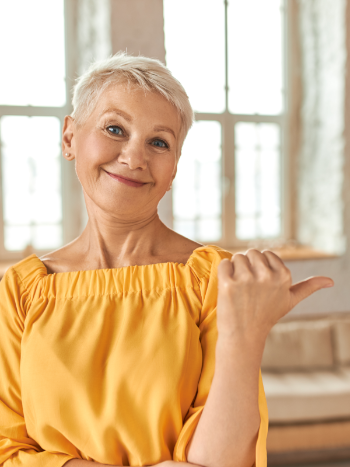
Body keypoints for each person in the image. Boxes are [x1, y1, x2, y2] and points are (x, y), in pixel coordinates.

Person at [0, 53, 333, 467]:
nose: (135, 157)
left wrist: (246, 336)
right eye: (115, 128)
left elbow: (224, 461)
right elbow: (6, 448)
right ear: (69, 136)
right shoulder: (19, 292)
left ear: (174, 166)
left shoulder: (213, 279)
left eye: (159, 142)